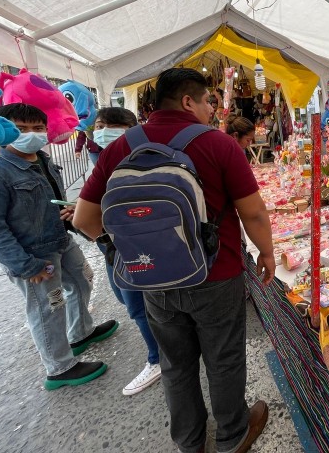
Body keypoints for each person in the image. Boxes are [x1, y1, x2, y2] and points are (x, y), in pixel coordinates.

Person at [73, 68, 276, 453]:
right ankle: (233, 434)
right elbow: (253, 213)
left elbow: (84, 219)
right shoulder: (218, 144)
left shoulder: (121, 147)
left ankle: (189, 441)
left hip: (153, 277)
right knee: (223, 358)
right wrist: (266, 252)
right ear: (188, 101)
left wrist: (129, 247)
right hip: (216, 274)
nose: (211, 111)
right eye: (207, 102)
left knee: (175, 363)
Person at [0, 103, 117, 390]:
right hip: (34, 256)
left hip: (61, 241)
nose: (31, 135)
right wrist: (26, 266)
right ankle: (59, 367)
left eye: (37, 129)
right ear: (1, 132)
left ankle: (81, 332)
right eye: (20, 129)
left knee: (83, 281)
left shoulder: (44, 160)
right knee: (48, 307)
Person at [90, 107, 163, 396]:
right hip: (130, 244)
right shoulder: (108, 159)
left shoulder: (111, 160)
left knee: (134, 303)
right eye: (100, 125)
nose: (104, 131)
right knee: (131, 299)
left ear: (131, 129)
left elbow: (87, 218)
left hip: (124, 247)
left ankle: (158, 358)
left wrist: (108, 237)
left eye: (113, 126)